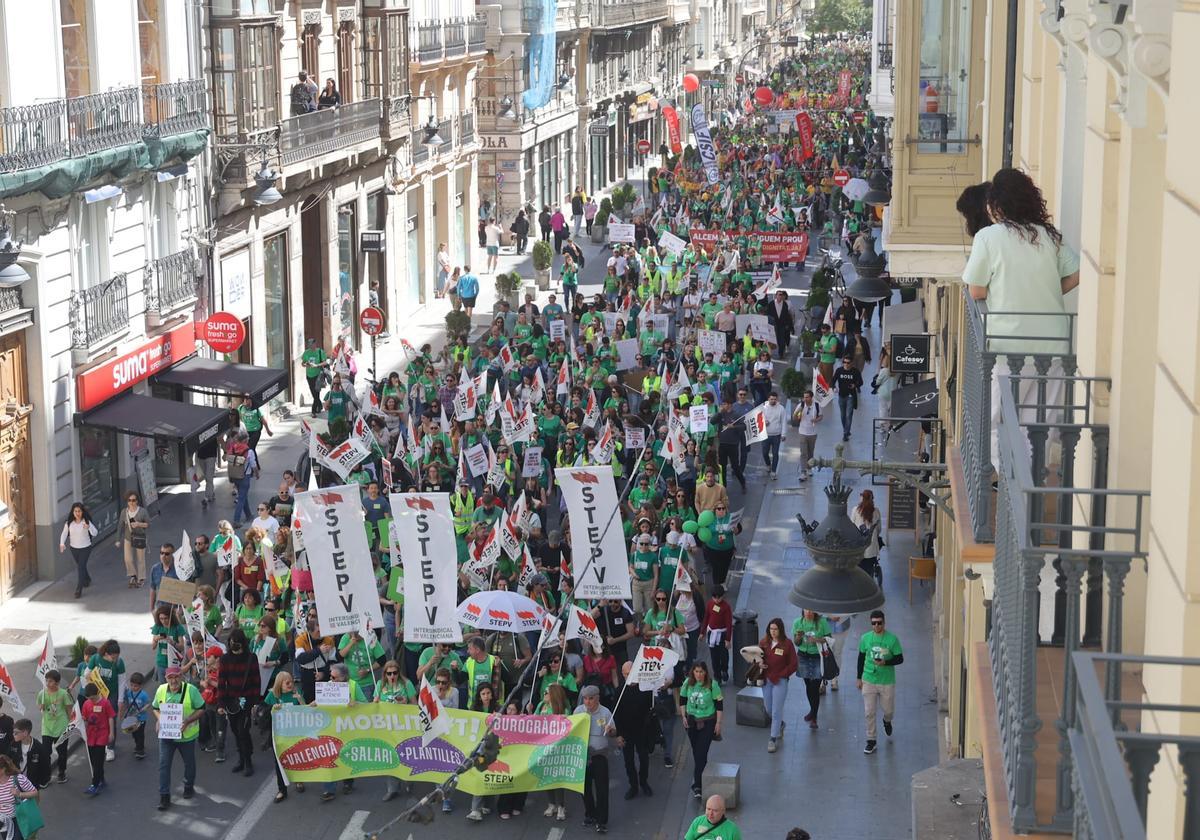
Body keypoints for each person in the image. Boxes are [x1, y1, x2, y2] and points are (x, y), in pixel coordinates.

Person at [962, 168, 1080, 466]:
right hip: (1054, 346)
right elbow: (1077, 273)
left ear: (997, 205)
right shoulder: (1048, 236)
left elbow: (976, 291)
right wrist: (1051, 291)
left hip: (1009, 346)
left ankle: (1010, 494)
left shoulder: (989, 237)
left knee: (995, 423)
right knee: (1037, 429)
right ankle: (1025, 496)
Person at [152, 665, 205, 810]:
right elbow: (155, 708)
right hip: (167, 736)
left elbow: (201, 708)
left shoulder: (191, 690)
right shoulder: (161, 690)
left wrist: (187, 721)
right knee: (164, 766)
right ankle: (164, 796)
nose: (173, 680)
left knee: (189, 763)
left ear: (181, 677)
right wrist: (159, 719)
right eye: (170, 677)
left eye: (176, 676)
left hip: (186, 737)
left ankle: (188, 785)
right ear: (166, 678)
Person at [858, 609, 903, 755]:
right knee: (869, 712)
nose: (877, 626)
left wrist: (886, 662)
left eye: (879, 623)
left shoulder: (892, 639)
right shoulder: (865, 638)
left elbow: (900, 658)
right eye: (874, 623)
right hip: (869, 679)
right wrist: (859, 678)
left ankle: (887, 720)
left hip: (886, 681)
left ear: (884, 623)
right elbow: (860, 658)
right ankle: (871, 740)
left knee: (888, 710)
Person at [217, 629, 261, 777]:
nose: (233, 645)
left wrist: (255, 702)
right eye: (231, 642)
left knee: (243, 731)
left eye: (236, 642)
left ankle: (248, 760)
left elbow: (256, 681)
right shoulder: (224, 659)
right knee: (235, 731)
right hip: (231, 702)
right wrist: (221, 704)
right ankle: (241, 758)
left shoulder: (251, 658)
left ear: (242, 643)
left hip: (247, 700)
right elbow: (221, 683)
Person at [574, 684, 615, 834]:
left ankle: (602, 820)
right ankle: (590, 813)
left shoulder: (605, 712)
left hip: (599, 755)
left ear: (597, 698)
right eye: (585, 698)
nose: (587, 702)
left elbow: (613, 733)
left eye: (591, 699)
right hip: (583, 754)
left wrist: (611, 731)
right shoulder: (578, 711)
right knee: (584, 787)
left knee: (602, 789)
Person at [679, 661, 722, 800]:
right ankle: (700, 780)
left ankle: (697, 785)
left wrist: (718, 723)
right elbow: (682, 700)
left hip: (708, 722)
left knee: (701, 753)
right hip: (691, 722)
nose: (699, 674)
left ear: (705, 672)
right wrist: (683, 716)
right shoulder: (687, 683)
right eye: (696, 671)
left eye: (701, 672)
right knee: (697, 753)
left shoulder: (712, 685)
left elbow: (719, 704)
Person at [612, 661, 653, 800]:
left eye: (631, 673)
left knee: (644, 758)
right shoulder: (619, 691)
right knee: (628, 761)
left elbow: (650, 709)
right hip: (626, 732)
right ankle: (633, 785)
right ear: (623, 674)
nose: (629, 676)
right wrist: (618, 735)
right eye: (626, 674)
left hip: (642, 730)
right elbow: (616, 714)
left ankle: (644, 781)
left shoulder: (645, 689)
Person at [757, 618, 796, 753]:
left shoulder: (787, 645)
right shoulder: (764, 643)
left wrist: (782, 674)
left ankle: (773, 738)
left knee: (776, 710)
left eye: (775, 629)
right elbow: (757, 658)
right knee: (768, 708)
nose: (773, 632)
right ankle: (780, 724)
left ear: (780, 630)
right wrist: (759, 664)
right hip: (767, 680)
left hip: (780, 681)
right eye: (771, 629)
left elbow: (793, 664)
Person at [792, 609, 832, 729]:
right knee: (808, 686)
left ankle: (814, 717)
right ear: (802, 611)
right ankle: (812, 710)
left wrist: (816, 640)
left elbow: (829, 639)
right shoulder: (797, 622)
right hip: (803, 656)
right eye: (806, 610)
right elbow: (797, 643)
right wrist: (798, 637)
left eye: (811, 610)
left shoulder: (822, 622)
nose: (808, 613)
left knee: (815, 687)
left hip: (817, 657)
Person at [35, 670, 70, 784]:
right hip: (47, 727)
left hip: (61, 726)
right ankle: (46, 777)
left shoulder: (63, 693)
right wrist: (41, 706)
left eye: (50, 681)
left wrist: (71, 724)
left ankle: (61, 772)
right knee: (45, 753)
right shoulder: (42, 694)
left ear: (57, 682)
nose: (47, 683)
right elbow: (39, 706)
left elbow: (69, 709)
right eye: (46, 680)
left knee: (62, 752)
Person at [59, 502, 97, 598]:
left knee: (80, 567)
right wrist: (62, 543)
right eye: (75, 511)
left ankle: (79, 589)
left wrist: (89, 528)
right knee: (81, 566)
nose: (77, 513)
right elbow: (64, 534)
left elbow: (95, 533)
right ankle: (87, 578)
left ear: (82, 512)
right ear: (73, 512)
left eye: (79, 511)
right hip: (74, 548)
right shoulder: (69, 523)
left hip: (86, 548)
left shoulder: (86, 522)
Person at [81, 682, 113, 795]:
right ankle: (101, 778)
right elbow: (84, 718)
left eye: (93, 698)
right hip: (90, 736)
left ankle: (94, 785)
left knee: (99, 760)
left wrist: (111, 733)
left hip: (102, 734)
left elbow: (110, 718)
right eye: (90, 699)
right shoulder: (86, 704)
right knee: (93, 760)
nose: (92, 701)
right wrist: (82, 728)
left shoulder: (105, 703)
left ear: (97, 693)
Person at [115, 491, 150, 588]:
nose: (131, 502)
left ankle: (141, 578)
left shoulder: (142, 511)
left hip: (139, 537)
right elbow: (120, 526)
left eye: (133, 500)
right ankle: (133, 575)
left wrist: (139, 524)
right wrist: (117, 539)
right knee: (128, 559)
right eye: (129, 500)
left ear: (137, 501)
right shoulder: (124, 512)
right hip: (128, 538)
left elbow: (148, 524)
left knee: (140, 559)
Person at [0, 755, 38, 839]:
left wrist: (20, 794)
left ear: (3, 769)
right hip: (3, 821)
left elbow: (35, 792)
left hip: (18, 819)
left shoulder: (18, 779)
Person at [850, 489, 883, 585]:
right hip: (871, 548)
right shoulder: (876, 512)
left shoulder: (855, 510)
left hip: (859, 548)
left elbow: (851, 526)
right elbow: (879, 529)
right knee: (869, 567)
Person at [9, 720, 50, 790]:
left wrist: (42, 782)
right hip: (17, 781)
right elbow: (8, 758)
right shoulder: (14, 744)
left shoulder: (38, 748)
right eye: (13, 732)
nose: (13, 734)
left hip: (32, 783)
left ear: (25, 733)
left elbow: (45, 766)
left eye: (16, 733)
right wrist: (14, 770)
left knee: (32, 799)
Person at [118, 672, 150, 760]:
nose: (133, 687)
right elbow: (126, 703)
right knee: (134, 733)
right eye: (132, 685)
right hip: (132, 717)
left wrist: (144, 708)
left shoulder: (143, 695)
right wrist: (122, 712)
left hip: (141, 718)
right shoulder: (128, 693)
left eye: (136, 686)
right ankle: (138, 746)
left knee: (140, 734)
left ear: (141, 686)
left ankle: (140, 751)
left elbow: (148, 703)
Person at [831, 355, 863, 441]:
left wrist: (855, 385)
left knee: (849, 415)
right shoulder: (839, 370)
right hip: (841, 395)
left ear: (851, 363)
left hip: (851, 396)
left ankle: (845, 433)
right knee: (843, 415)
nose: (846, 364)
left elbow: (861, 382)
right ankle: (846, 429)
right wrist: (834, 387)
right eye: (844, 362)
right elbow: (833, 380)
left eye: (848, 363)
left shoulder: (855, 371)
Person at [793, 389, 822, 481]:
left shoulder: (817, 405)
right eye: (804, 397)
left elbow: (821, 416)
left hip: (813, 433)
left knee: (810, 452)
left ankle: (809, 468)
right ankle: (803, 472)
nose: (805, 399)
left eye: (807, 397)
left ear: (811, 397)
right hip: (803, 432)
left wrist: (816, 420)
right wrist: (799, 412)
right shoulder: (801, 405)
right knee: (803, 453)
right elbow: (794, 417)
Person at [760, 391, 786, 479]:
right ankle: (768, 464)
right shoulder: (763, 408)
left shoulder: (781, 408)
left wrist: (783, 434)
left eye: (775, 399)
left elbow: (783, 421)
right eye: (771, 399)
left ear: (777, 399)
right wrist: (764, 422)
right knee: (764, 452)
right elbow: (759, 421)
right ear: (768, 399)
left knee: (775, 454)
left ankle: (774, 471)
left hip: (776, 435)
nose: (773, 401)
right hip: (765, 435)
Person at [301, 338, 328, 415]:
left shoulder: (320, 352)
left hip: (318, 375)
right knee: (313, 393)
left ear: (315, 344)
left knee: (316, 392)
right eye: (309, 345)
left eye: (312, 344)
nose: (310, 346)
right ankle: (319, 405)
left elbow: (325, 362)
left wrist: (317, 365)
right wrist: (306, 364)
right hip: (309, 375)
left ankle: (314, 410)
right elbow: (303, 363)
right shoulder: (306, 352)